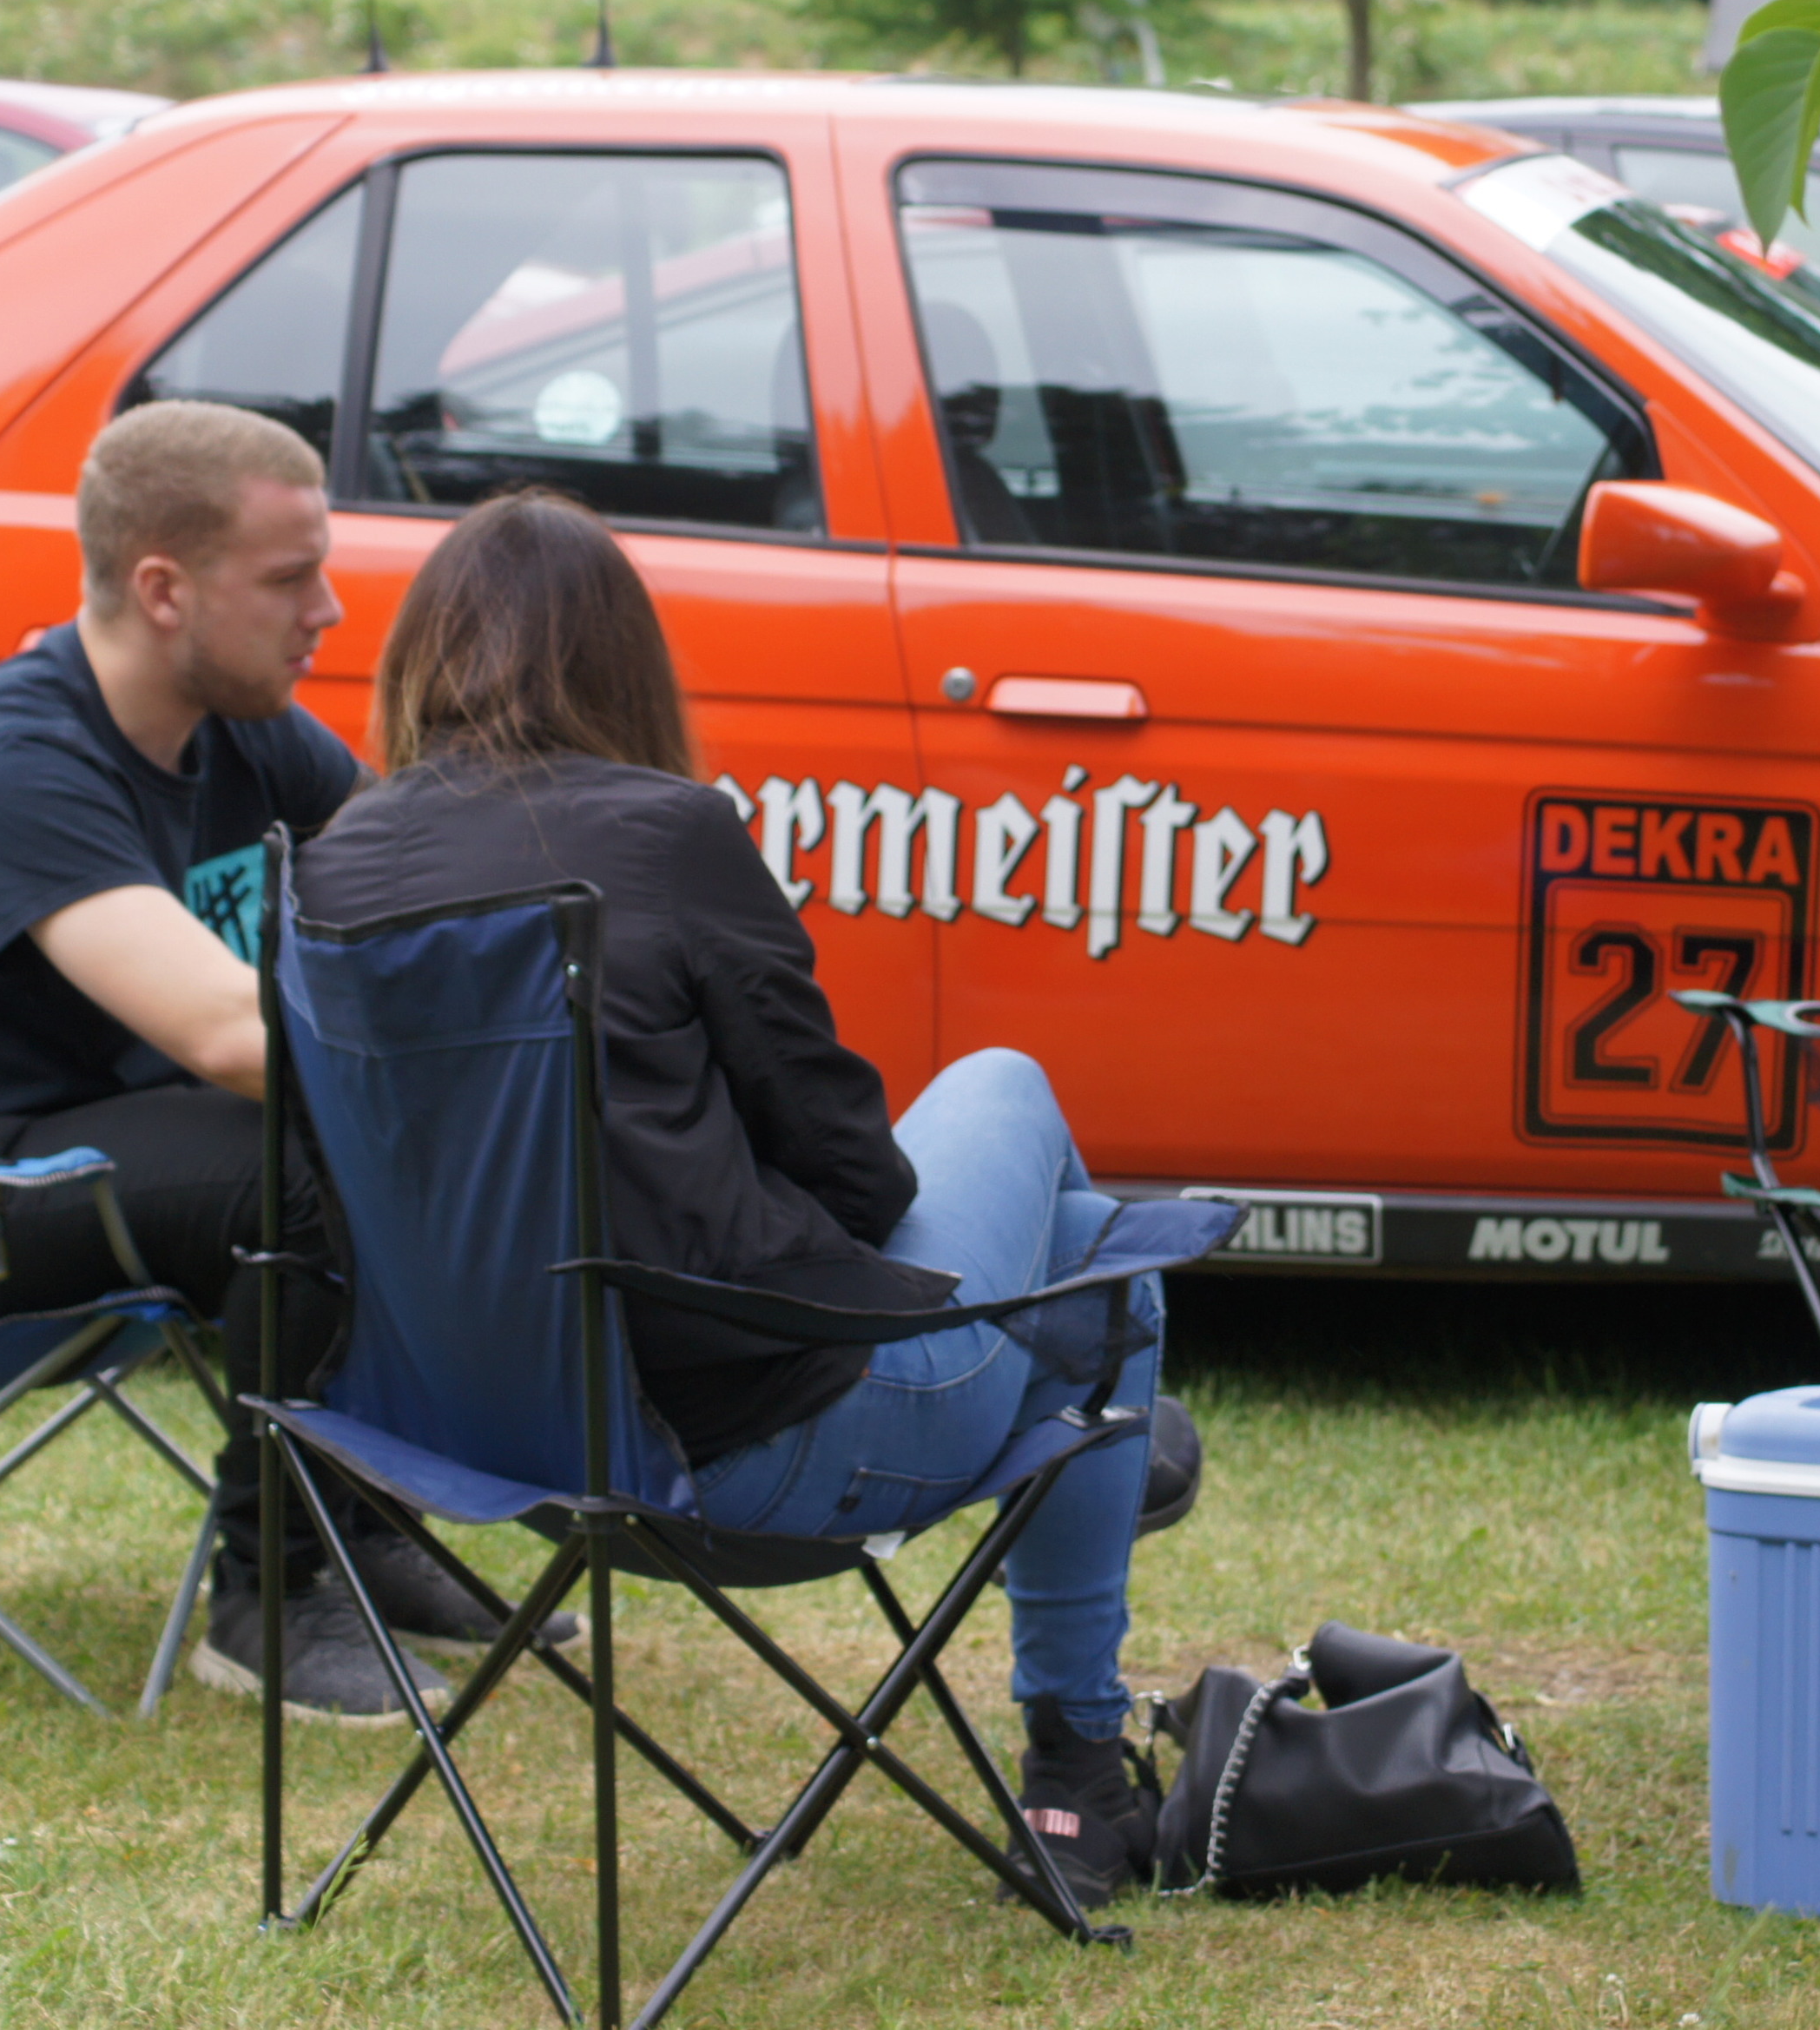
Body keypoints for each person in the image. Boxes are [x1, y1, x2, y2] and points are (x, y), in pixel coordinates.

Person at [292, 487, 1197, 1905]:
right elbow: (859, 1169)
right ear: (623, 666)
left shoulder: (331, 867)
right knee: (1041, 1154)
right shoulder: (666, 832)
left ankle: (1102, 1418)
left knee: (1091, 1264)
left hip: (487, 1454)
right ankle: (1079, 1745)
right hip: (754, 1463)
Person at [0, 399, 555, 1726]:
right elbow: (232, 1037)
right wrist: (480, 1051)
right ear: (164, 590)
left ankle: (350, 1524)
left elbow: (412, 881)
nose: (333, 613)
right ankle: (269, 1597)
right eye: (292, 578)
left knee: (353, 1139)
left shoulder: (235, 727)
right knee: (298, 1164)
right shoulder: (18, 767)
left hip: (89, 1139)